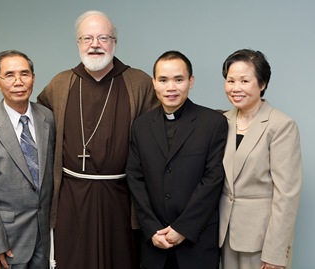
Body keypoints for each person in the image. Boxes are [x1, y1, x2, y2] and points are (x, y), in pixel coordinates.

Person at [37, 10, 159, 269]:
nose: (95, 44)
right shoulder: (61, 83)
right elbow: (32, 118)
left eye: (103, 37)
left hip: (121, 198)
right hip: (71, 196)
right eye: (87, 38)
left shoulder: (138, 82)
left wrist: (223, 120)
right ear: (78, 43)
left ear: (114, 42)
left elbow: (170, 116)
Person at [126, 50, 228, 269]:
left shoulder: (213, 123)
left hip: (196, 242)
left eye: (178, 79)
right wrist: (152, 228)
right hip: (154, 243)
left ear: (191, 81)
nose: (170, 87)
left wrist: (183, 228)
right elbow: (136, 179)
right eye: (163, 80)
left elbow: (213, 180)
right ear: (153, 83)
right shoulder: (141, 126)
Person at [0, 50, 55, 269]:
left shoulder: (49, 118)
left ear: (33, 78)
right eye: (10, 75)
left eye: (24, 74)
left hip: (45, 240)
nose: (18, 82)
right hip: (6, 243)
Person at [218, 49, 302, 269]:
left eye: (245, 80)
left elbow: (287, 194)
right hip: (223, 234)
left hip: (261, 239)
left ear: (262, 83)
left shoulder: (281, 125)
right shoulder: (220, 121)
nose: (236, 88)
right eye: (230, 80)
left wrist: (276, 252)